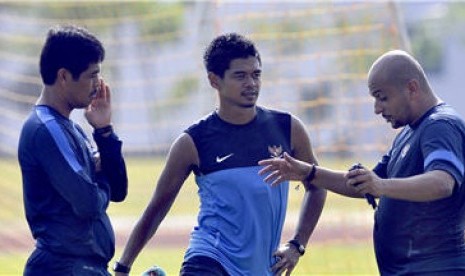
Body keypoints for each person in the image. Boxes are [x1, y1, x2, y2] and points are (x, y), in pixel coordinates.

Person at [114, 33, 326, 276]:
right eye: (240, 76)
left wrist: (297, 244)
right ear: (215, 80)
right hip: (210, 257)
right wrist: (123, 267)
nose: (251, 83)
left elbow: (317, 185)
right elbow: (157, 208)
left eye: (256, 74)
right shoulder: (192, 142)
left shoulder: (288, 128)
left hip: (261, 268)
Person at [259, 49, 465, 275]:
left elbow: (442, 182)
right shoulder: (409, 133)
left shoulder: (440, 125)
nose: (377, 108)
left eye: (382, 97)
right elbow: (365, 186)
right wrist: (309, 172)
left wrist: (381, 185)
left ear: (412, 88)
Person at [17, 25, 128, 275]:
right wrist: (100, 175)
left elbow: (119, 190)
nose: (98, 85)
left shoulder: (73, 129)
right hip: (62, 268)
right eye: (92, 75)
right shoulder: (46, 129)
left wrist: (105, 132)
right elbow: (87, 203)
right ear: (64, 76)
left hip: (85, 267)